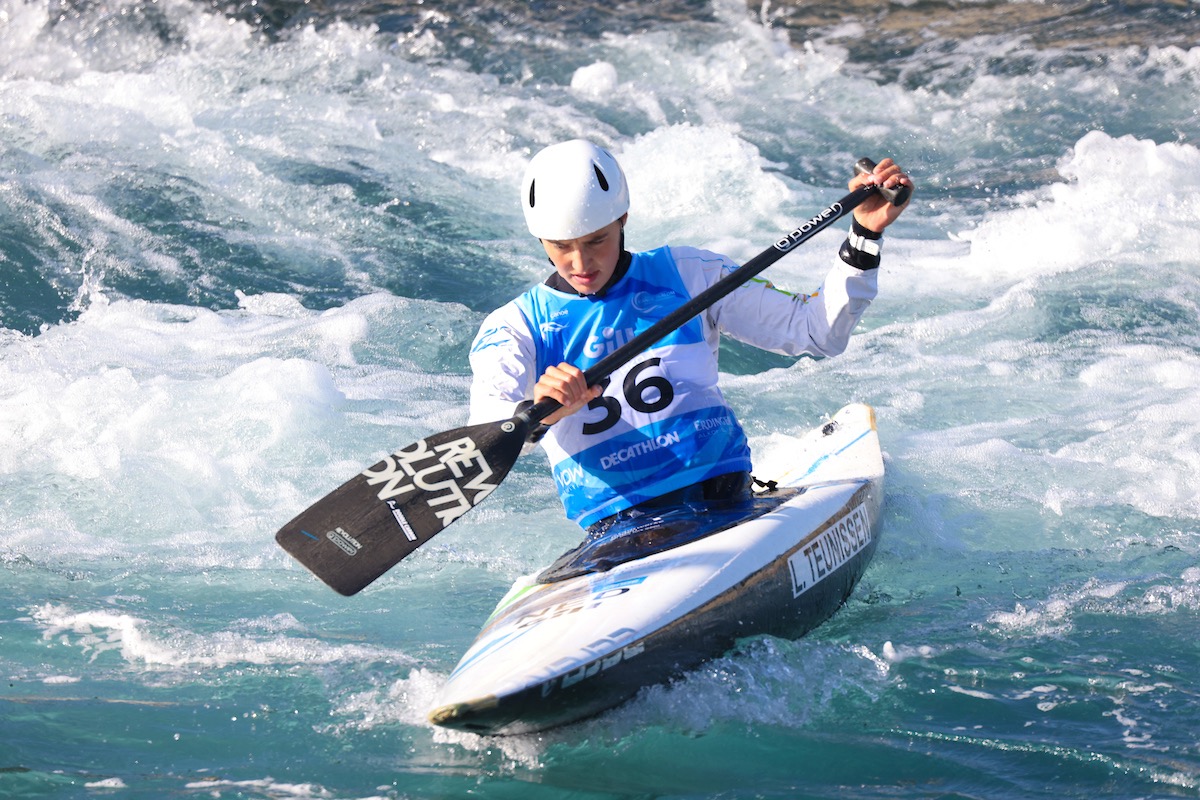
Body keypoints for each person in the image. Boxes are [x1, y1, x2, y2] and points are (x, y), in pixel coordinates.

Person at [468, 139, 912, 535]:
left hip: (728, 503)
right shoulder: (515, 326)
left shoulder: (689, 273)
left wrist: (865, 234)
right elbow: (483, 436)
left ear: (623, 218)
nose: (581, 262)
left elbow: (816, 331)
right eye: (561, 245)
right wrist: (536, 415)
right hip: (621, 530)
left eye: (596, 240)